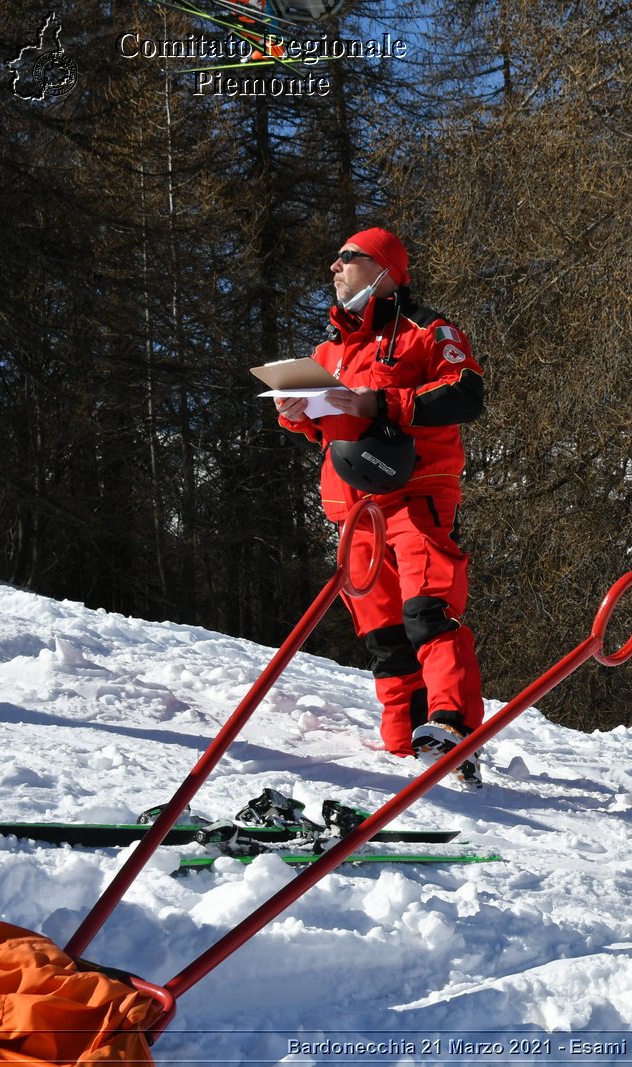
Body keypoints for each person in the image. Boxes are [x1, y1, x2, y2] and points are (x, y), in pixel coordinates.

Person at [274, 226, 487, 788]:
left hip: (415, 496)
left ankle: (452, 728)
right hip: (352, 512)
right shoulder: (328, 351)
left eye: (347, 257)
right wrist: (299, 416)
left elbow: (468, 394)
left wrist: (381, 400)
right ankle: (405, 742)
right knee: (385, 635)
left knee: (429, 614)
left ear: (386, 268)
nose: (334, 267)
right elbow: (332, 432)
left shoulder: (427, 332)